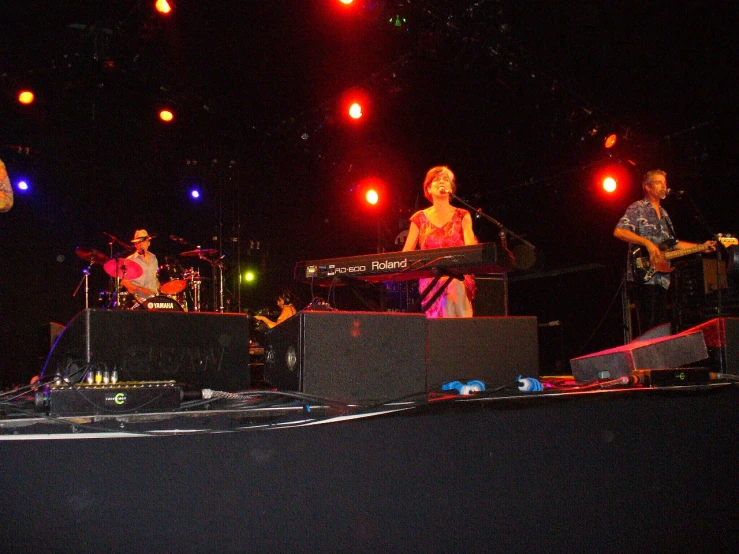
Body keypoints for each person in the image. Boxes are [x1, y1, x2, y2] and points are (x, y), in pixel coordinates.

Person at [613, 169, 715, 334]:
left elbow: (672, 244)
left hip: (663, 278)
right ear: (647, 186)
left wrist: (702, 247)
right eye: (659, 182)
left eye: (665, 183)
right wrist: (647, 243)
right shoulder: (638, 208)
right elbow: (620, 232)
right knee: (649, 327)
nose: (664, 186)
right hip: (644, 275)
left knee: (662, 327)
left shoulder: (665, 215)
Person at [402, 165, 477, 317]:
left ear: (451, 188)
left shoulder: (463, 215)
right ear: (428, 189)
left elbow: (472, 252)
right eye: (436, 180)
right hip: (431, 277)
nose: (442, 182)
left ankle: (451, 335)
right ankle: (465, 335)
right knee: (449, 288)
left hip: (459, 275)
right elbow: (405, 256)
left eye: (446, 179)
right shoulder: (419, 219)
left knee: (453, 284)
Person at [121, 229, 160, 304]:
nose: (141, 244)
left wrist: (158, 286)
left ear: (149, 243)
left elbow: (154, 277)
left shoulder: (154, 259)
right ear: (135, 245)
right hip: (137, 300)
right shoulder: (129, 260)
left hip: (154, 299)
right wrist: (139, 289)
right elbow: (124, 282)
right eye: (138, 242)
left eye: (143, 241)